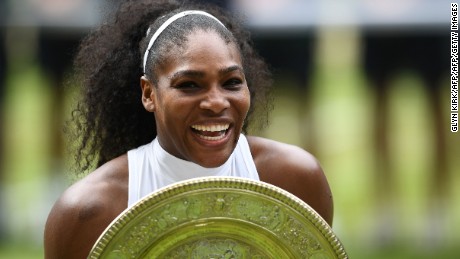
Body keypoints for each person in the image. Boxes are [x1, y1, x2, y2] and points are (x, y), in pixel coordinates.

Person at [44, 0, 333, 258]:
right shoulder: (89, 212)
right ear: (149, 94)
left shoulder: (293, 182)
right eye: (189, 85)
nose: (216, 102)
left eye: (231, 82)